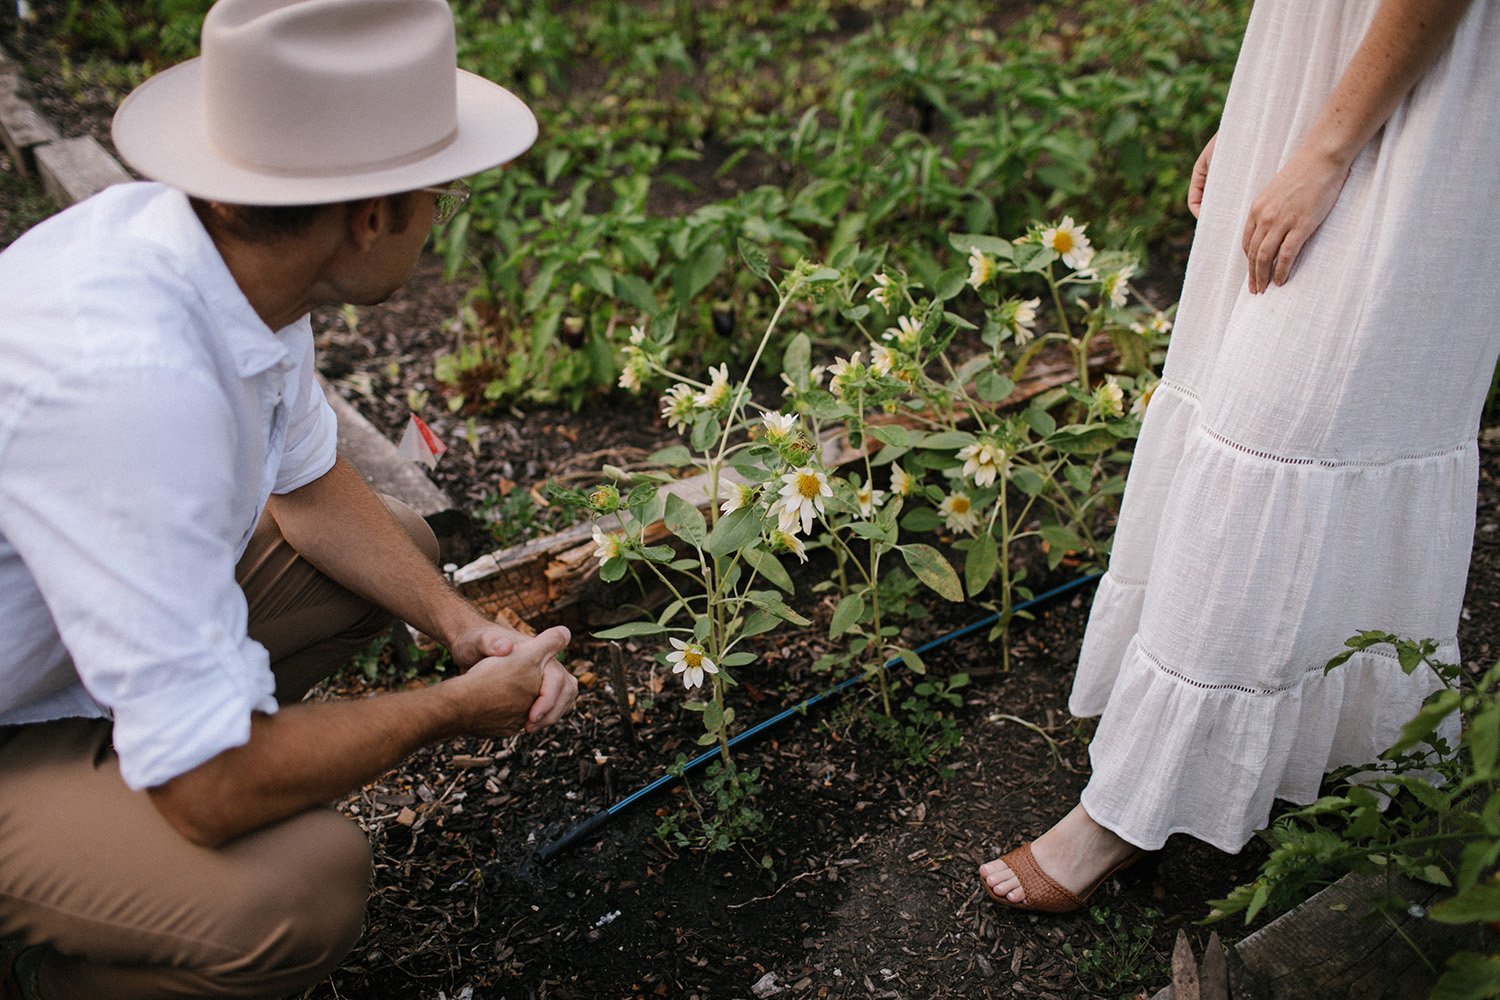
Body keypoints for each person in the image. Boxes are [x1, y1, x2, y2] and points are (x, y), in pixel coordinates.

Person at [0, 0, 578, 995]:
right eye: (442, 197)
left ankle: (121, 761)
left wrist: (459, 629)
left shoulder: (220, 265)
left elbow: (308, 494)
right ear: (370, 217)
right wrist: (448, 709)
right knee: (298, 889)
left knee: (390, 549)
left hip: (41, 658)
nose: (439, 224)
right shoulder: (129, 388)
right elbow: (208, 790)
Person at [981, 0, 1499, 913]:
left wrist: (1326, 148)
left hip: (1431, 87)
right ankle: (1320, 740)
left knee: (1288, 418)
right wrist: (1267, 105)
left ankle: (1129, 814)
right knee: (1247, 388)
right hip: (1330, 66)